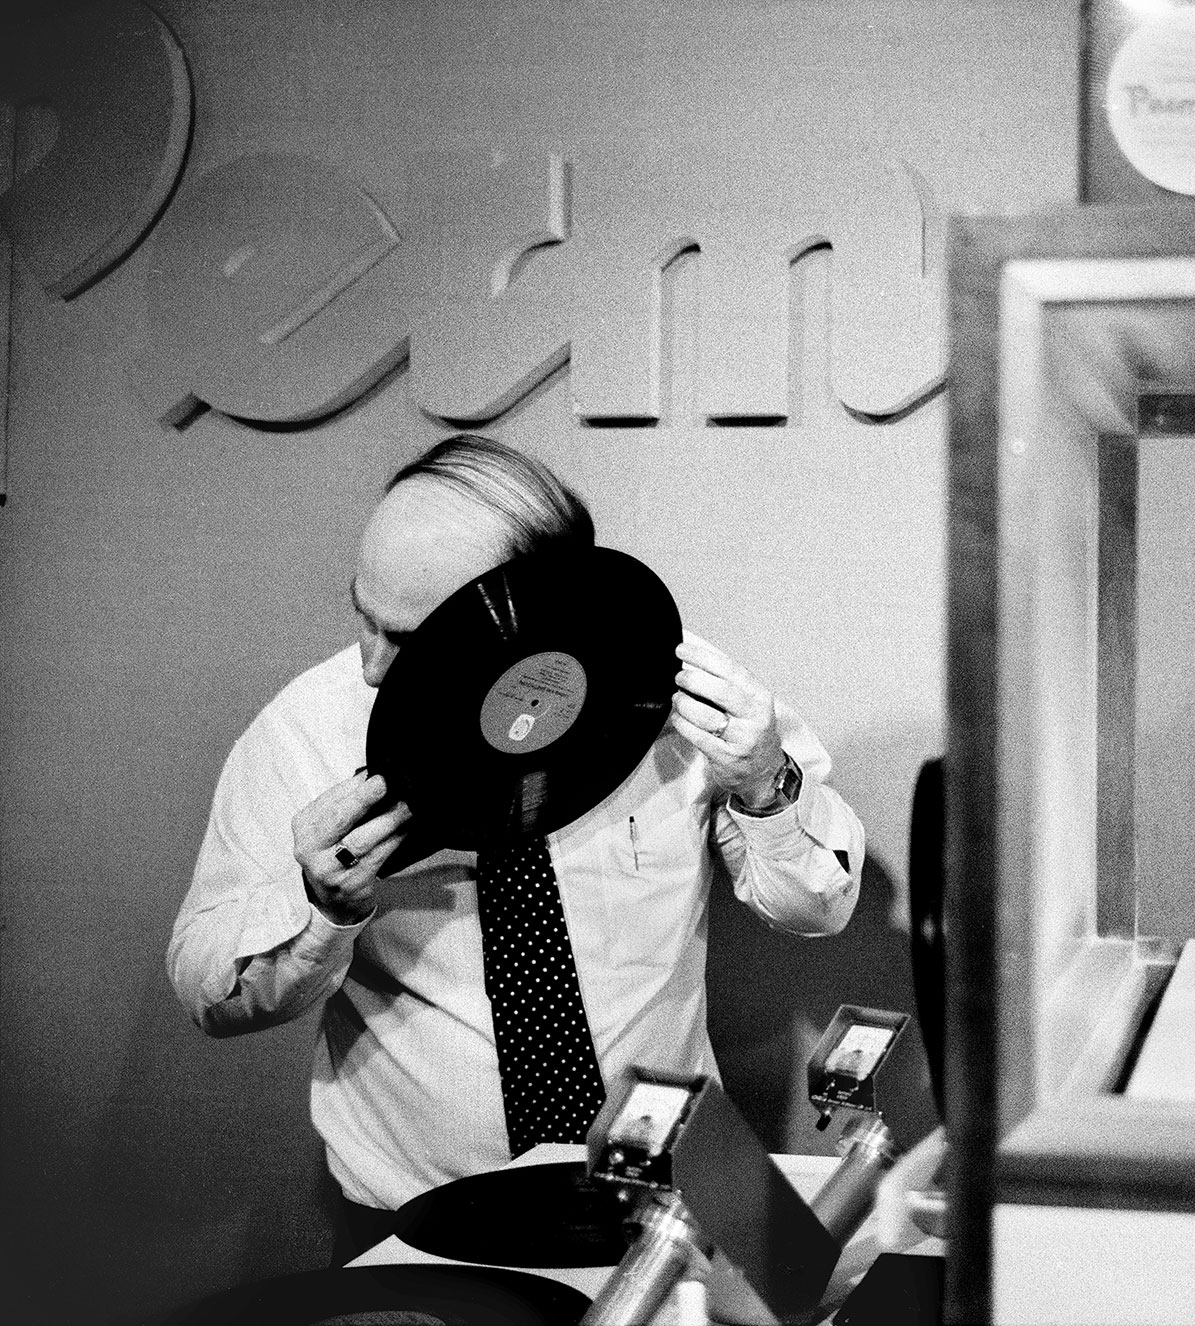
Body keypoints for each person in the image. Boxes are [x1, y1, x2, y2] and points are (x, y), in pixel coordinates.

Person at [168, 434, 865, 1260]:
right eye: (365, 618)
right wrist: (319, 909)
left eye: (413, 641)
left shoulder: (668, 693)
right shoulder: (306, 730)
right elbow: (207, 992)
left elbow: (820, 907)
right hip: (420, 1219)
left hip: (681, 1182)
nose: (370, 669)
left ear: (525, 611)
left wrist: (765, 785)